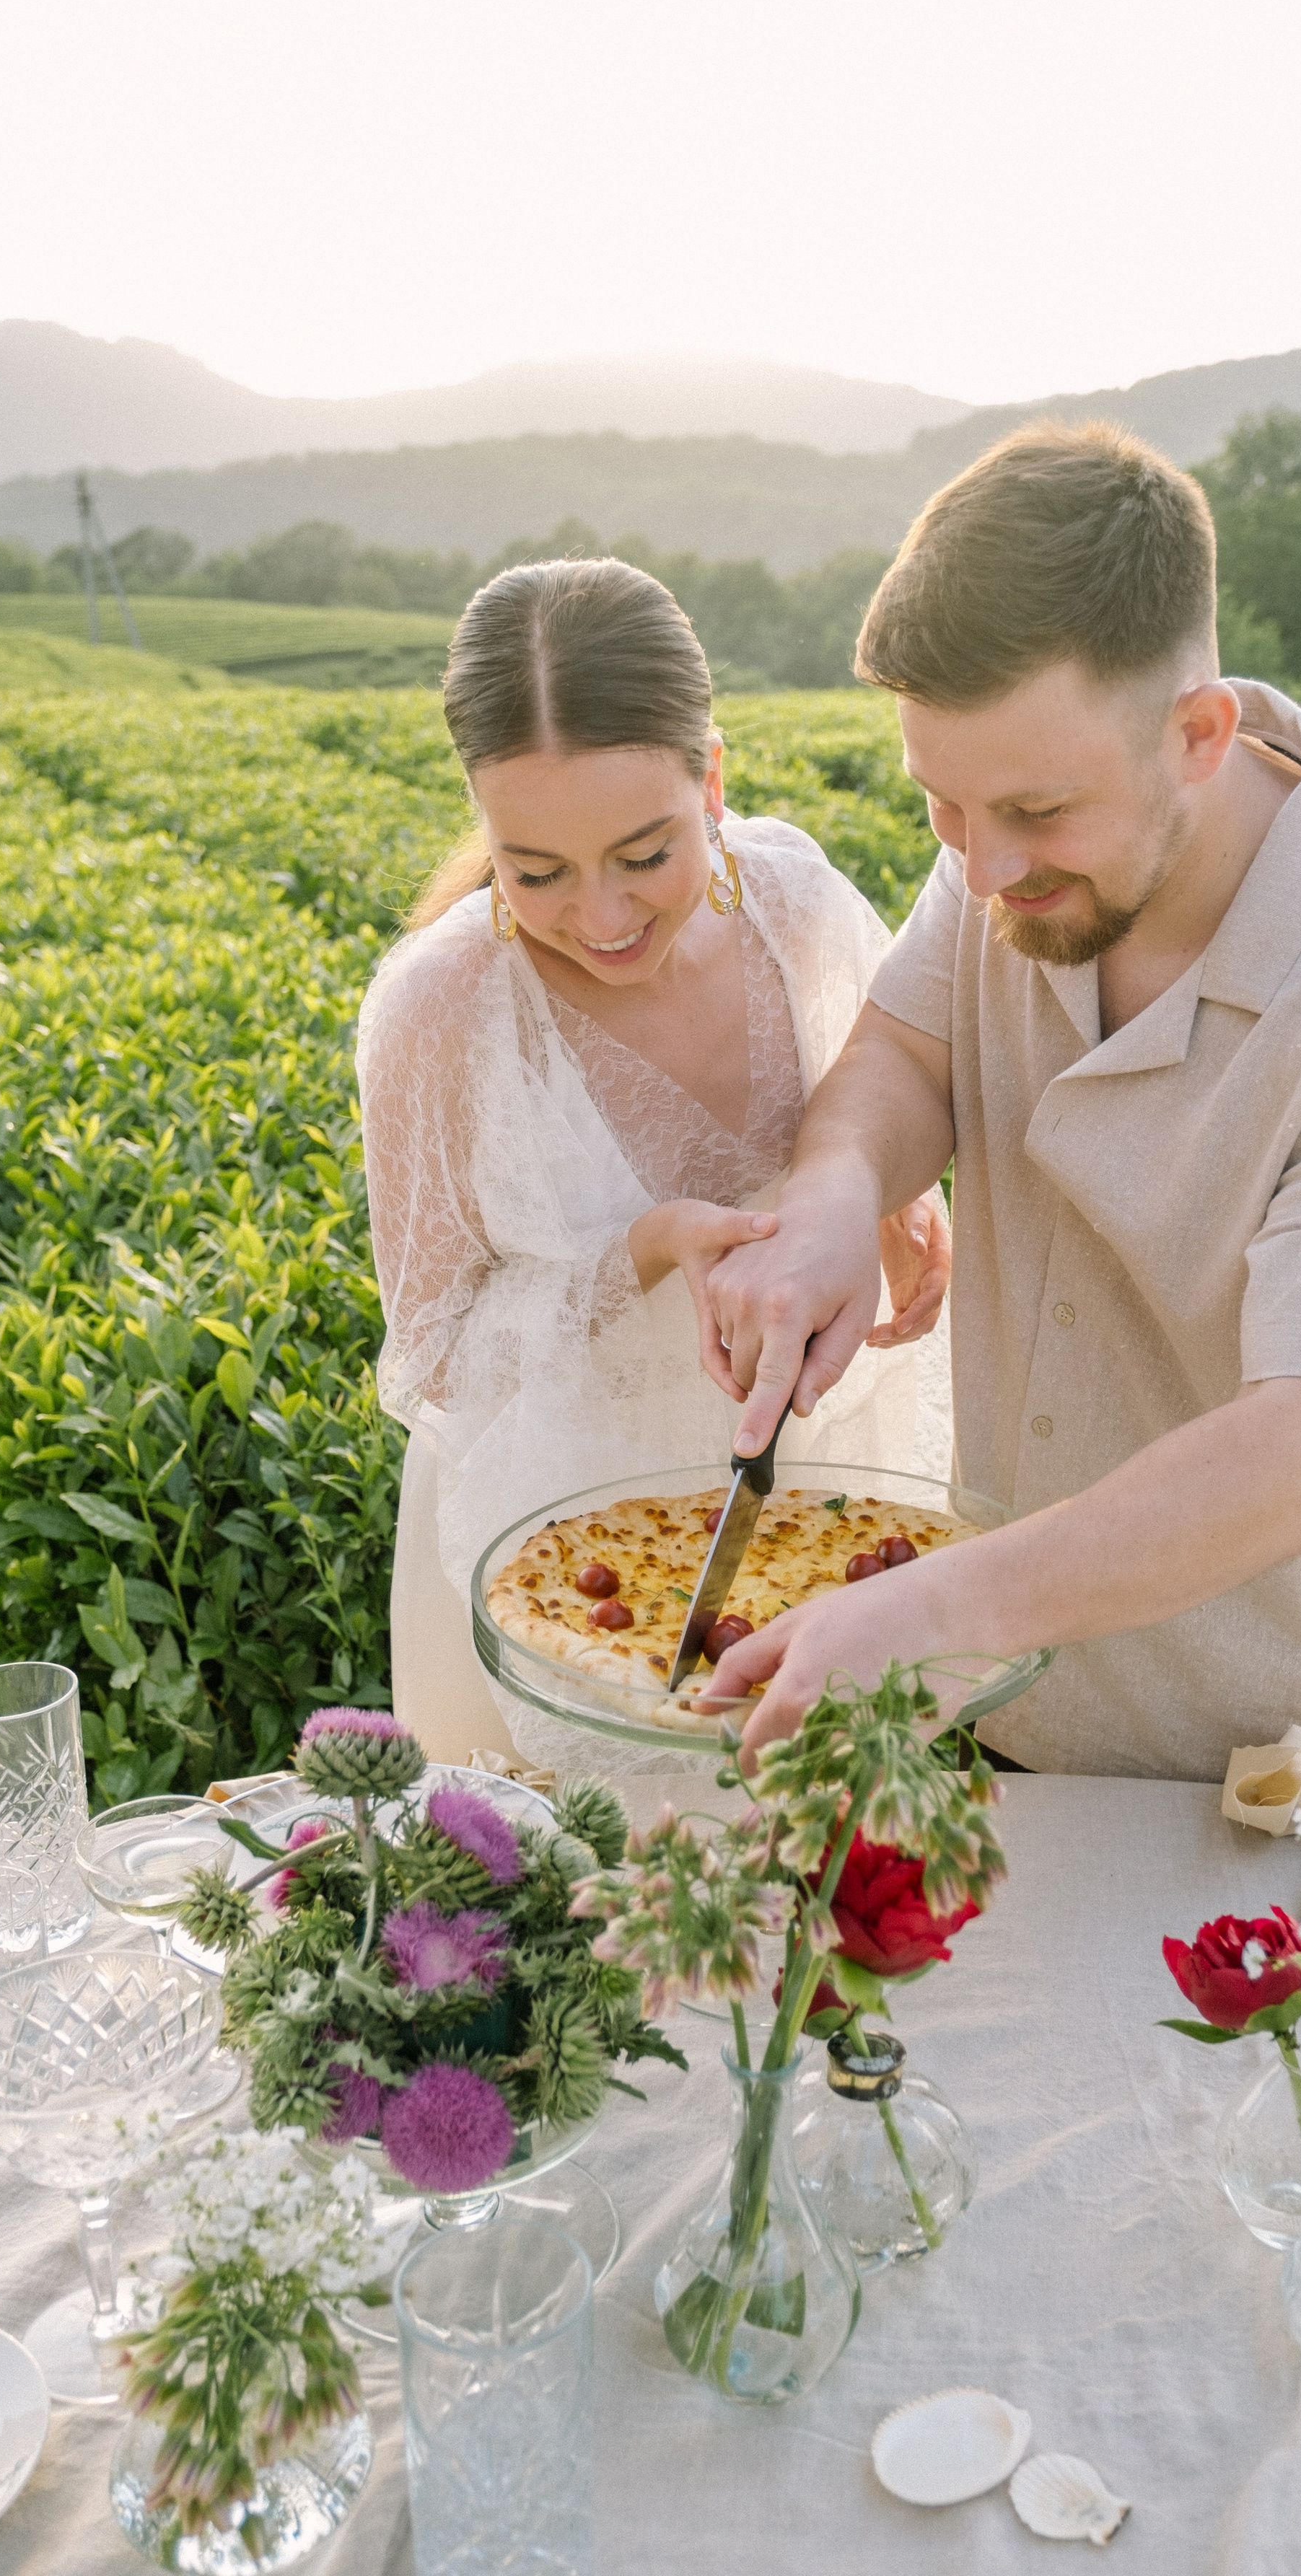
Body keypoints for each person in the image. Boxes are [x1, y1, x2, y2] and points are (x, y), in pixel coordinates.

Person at [694, 422, 1301, 1777]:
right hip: (969, 1686)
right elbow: (905, 1054)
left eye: (1034, 812)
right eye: (942, 810)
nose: (979, 873)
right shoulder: (1011, 847)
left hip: (1232, 1747)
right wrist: (838, 1201)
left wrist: (933, 1613)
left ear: (1200, 734)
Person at [356, 555, 950, 1767]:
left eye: (644, 855)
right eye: (537, 873)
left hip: (816, 1493)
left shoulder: (793, 900)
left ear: (713, 780)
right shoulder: (442, 1006)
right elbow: (431, 1359)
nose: (604, 917)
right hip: (568, 1562)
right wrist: (644, 1251)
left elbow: (892, 1088)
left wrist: (891, 1191)